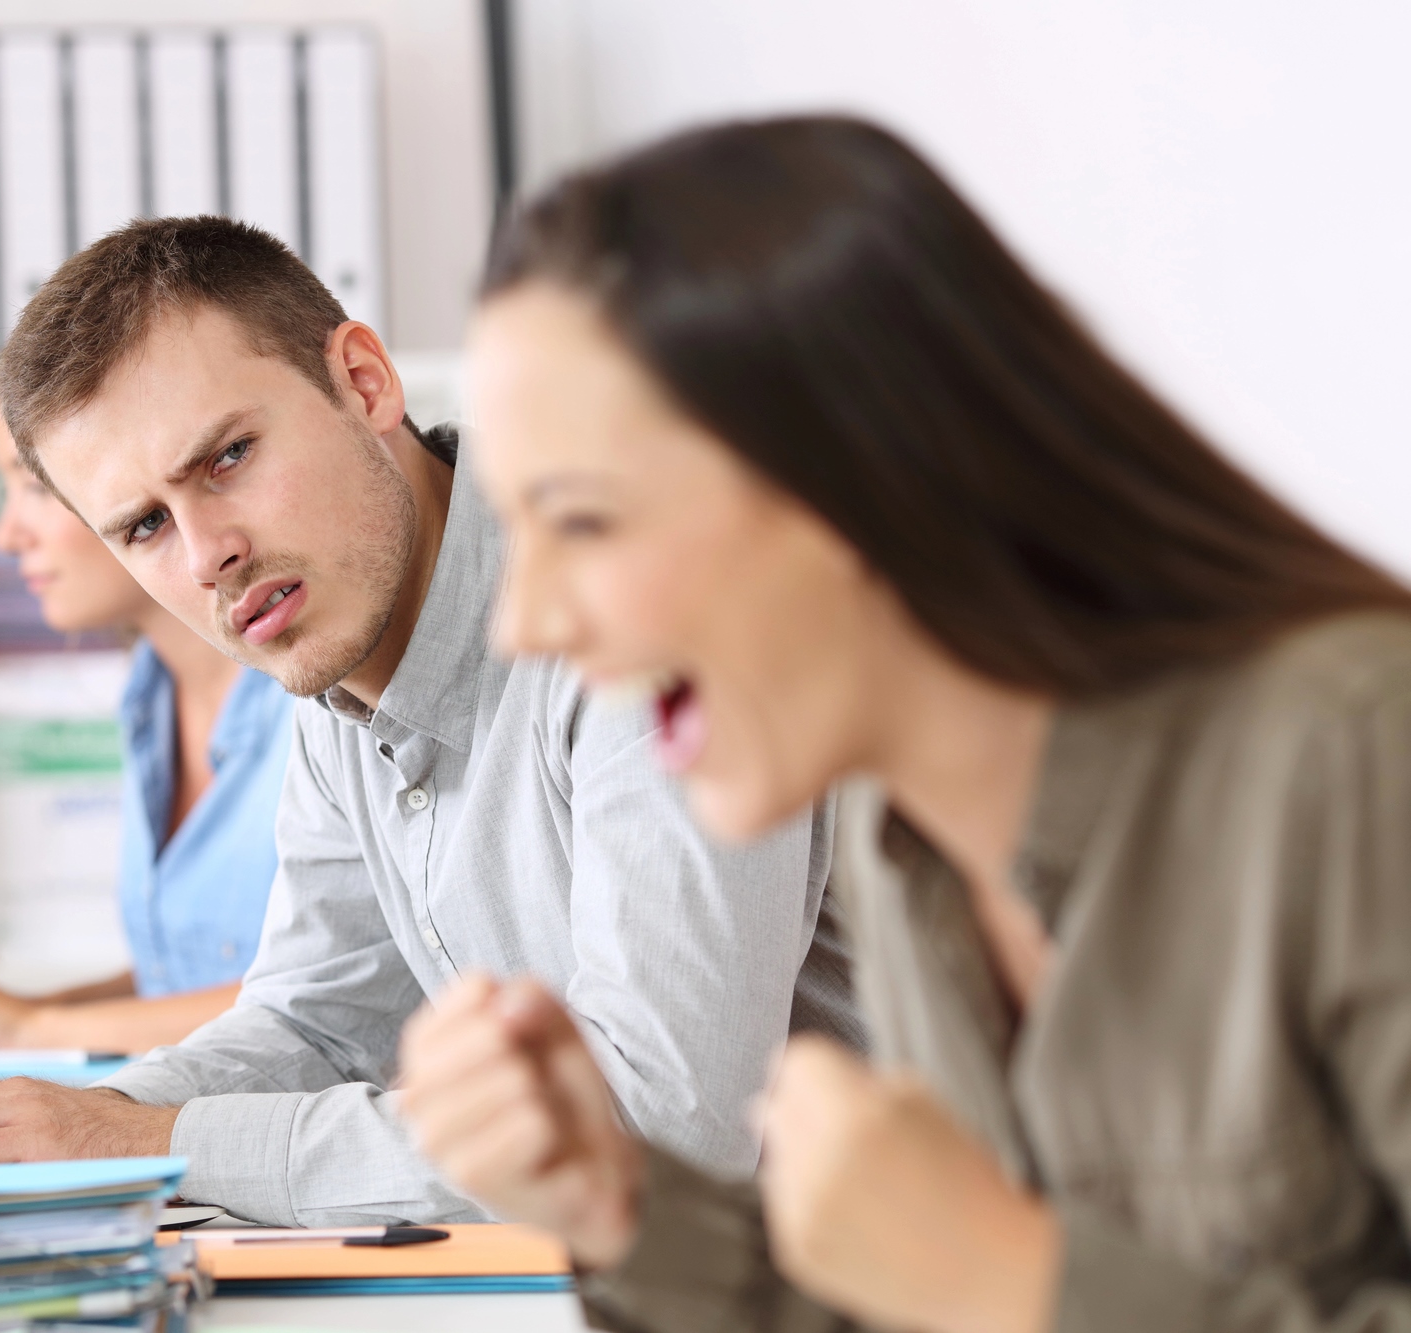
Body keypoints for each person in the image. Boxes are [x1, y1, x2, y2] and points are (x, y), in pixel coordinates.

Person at [396, 113, 1411, 1333]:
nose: (521, 624)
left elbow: (991, 1291)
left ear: (848, 482)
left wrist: (1023, 1284)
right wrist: (620, 1205)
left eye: (585, 522)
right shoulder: (902, 838)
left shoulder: (1355, 755)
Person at [0, 217, 856, 1227]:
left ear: (364, 381)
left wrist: (152, 1141)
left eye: (227, 458)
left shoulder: (635, 613)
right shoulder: (332, 657)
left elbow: (666, 1123)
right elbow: (321, 1023)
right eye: (145, 526)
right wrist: (76, 1119)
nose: (209, 554)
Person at [0, 402, 292, 1054]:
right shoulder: (147, 693)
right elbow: (192, 975)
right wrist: (7, 1013)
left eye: (35, 488)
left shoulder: (312, 703)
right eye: (5, 489)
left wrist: (32, 1028)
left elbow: (316, 1001)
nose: (7, 536)